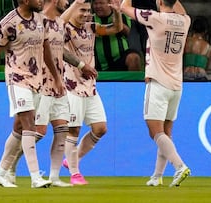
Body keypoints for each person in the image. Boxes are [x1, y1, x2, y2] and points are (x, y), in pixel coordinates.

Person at [3, 0, 98, 187]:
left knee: (62, 130)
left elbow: (59, 51)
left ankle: (54, 177)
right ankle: (8, 168)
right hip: (39, 83)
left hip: (58, 83)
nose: (68, 2)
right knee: (33, 131)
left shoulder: (60, 24)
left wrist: (78, 65)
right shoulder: (40, 21)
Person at [0, 0, 66, 188]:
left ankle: (0, 172)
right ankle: (35, 177)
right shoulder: (8, 23)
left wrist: (56, 78)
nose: (42, 1)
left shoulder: (41, 20)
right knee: (29, 125)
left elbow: (46, 50)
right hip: (17, 79)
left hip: (37, 80)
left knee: (19, 128)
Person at [121, 0, 191, 187]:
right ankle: (157, 176)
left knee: (155, 131)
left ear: (159, 1)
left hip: (158, 82)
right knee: (166, 133)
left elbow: (124, 8)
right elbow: (179, 8)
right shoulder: (185, 20)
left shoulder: (155, 18)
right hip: (176, 85)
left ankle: (179, 166)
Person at [59, 0, 122, 185]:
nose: (86, 14)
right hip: (70, 85)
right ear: (72, 10)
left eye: (88, 10)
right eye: (82, 10)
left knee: (100, 128)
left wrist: (117, 12)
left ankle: (72, 160)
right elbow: (57, 41)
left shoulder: (91, 27)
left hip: (89, 85)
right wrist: (80, 65)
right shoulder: (64, 29)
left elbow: (117, 28)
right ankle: (75, 173)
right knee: (74, 129)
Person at [92, 0, 141, 71]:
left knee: (134, 57)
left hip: (120, 59)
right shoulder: (90, 19)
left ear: (110, 4)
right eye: (95, 3)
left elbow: (128, 33)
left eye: (101, 3)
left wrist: (117, 19)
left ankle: (134, 81)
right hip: (98, 63)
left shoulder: (122, 16)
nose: (98, 6)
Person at [183, 16, 211, 81]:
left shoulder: (185, 42)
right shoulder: (208, 47)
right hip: (201, 75)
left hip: (187, 73)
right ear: (205, 31)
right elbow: (206, 67)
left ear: (192, 29)